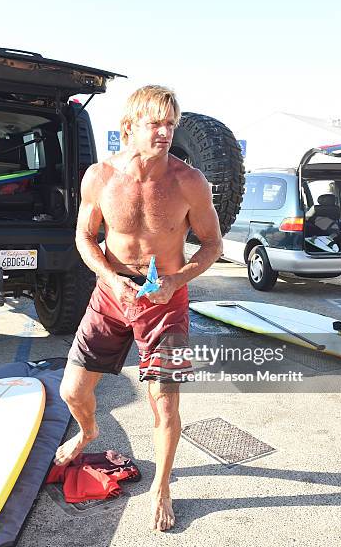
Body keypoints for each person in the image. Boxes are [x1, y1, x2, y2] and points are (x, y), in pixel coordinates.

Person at [55, 85, 223, 531]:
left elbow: (212, 244)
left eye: (171, 124)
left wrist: (176, 280)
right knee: (72, 391)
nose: (165, 132)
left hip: (165, 302)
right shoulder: (101, 177)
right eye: (156, 124)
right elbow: (84, 238)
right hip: (110, 295)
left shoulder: (189, 182)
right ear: (129, 127)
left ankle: (162, 487)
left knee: (164, 404)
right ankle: (88, 433)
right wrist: (110, 279)